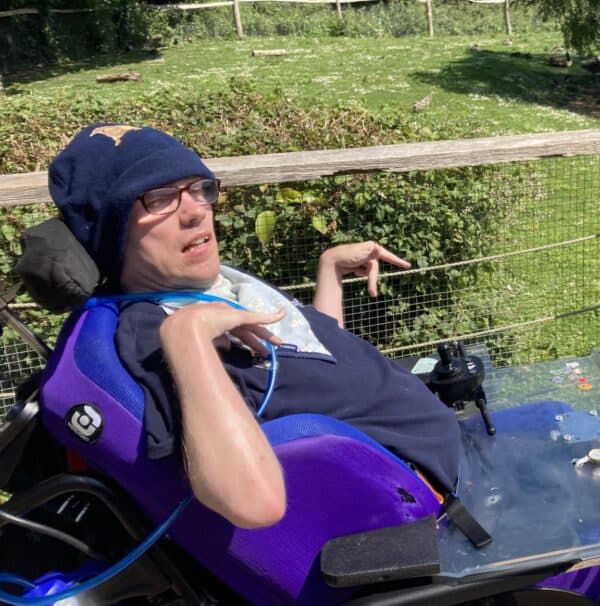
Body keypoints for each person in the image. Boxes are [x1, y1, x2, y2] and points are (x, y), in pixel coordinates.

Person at [48, 123, 461, 529]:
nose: (196, 211)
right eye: (159, 199)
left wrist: (330, 270)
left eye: (198, 188)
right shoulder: (157, 332)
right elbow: (254, 503)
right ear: (113, 230)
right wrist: (187, 335)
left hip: (446, 448)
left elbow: (313, 367)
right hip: (431, 504)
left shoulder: (211, 286)